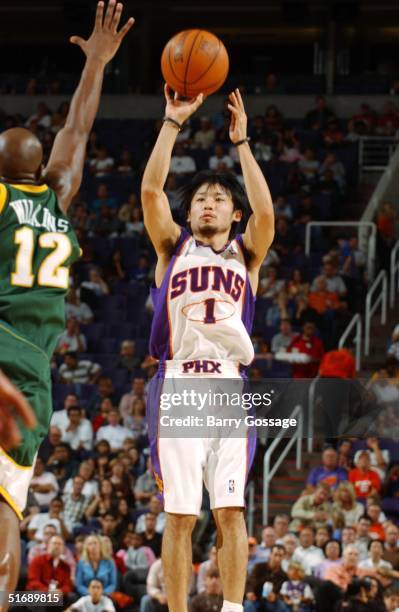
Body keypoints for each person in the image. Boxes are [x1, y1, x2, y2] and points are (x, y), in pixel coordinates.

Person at [0, 0, 134, 600]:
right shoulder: (57, 201)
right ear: (40, 173)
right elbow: (75, 131)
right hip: (33, 373)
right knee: (7, 503)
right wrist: (97, 65)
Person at [141, 84, 275, 612]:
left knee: (231, 511)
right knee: (179, 513)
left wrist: (243, 145)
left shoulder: (247, 254)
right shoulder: (172, 247)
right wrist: (172, 124)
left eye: (219, 199)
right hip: (177, 382)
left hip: (227, 386)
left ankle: (234, 608)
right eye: (200, 198)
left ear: (233, 215)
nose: (209, 203)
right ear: (191, 212)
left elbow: (266, 212)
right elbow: (152, 192)